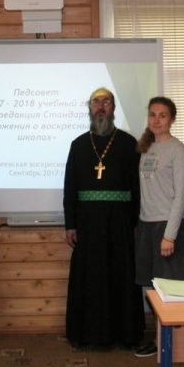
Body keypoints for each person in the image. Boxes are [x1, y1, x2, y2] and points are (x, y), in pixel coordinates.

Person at [63, 87, 144, 349]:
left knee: (121, 275)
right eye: (96, 102)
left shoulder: (128, 143)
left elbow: (136, 186)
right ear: (90, 108)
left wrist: (134, 223)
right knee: (91, 277)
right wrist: (70, 224)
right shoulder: (78, 145)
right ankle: (87, 334)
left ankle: (126, 334)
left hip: (120, 223)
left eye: (106, 102)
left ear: (113, 108)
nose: (101, 107)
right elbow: (70, 187)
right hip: (87, 224)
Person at [134, 97, 184, 358]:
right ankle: (159, 338)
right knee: (151, 287)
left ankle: (166, 343)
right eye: (153, 115)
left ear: (172, 119)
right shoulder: (145, 147)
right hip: (147, 226)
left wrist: (170, 235)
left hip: (169, 229)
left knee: (170, 289)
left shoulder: (177, 149)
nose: (157, 120)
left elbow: (181, 195)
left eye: (163, 115)